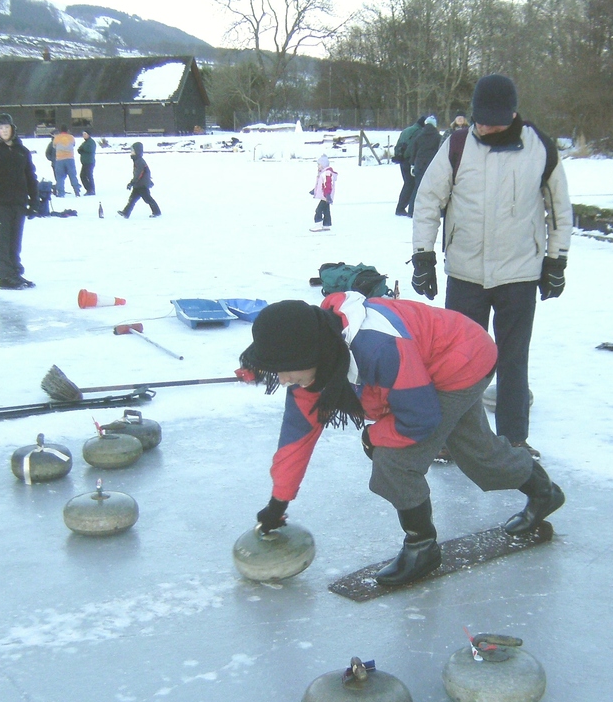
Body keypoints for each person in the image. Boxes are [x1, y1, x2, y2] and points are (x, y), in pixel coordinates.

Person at [240, 293, 564, 586]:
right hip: (434, 360)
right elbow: (296, 440)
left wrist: (374, 434)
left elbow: (417, 420)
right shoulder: (316, 359)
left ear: (311, 354)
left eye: (285, 369)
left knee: (394, 460)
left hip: (462, 359)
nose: (281, 380)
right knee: (478, 451)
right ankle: (544, 493)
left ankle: (421, 547)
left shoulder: (378, 346)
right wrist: (277, 504)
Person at [411, 74, 572, 460]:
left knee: (513, 359)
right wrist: (423, 257)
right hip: (466, 272)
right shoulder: (457, 145)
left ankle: (514, 439)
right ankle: (451, 439)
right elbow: (427, 201)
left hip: (519, 275)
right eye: (479, 118)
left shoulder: (539, 148)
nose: (484, 126)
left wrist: (556, 259)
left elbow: (560, 210)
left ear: (513, 114)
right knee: (458, 363)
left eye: (494, 119)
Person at [0, 112, 38, 289]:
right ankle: (5, 275)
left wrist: (34, 201)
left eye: (6, 127)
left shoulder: (21, 151)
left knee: (15, 240)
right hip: (0, 203)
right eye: (0, 128)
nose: (4, 131)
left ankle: (15, 272)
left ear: (13, 129)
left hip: (18, 202)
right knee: (3, 240)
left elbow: (30, 176)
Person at [406, 115, 441, 216]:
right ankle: (434, 211)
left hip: (419, 165)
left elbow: (413, 151)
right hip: (432, 165)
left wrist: (412, 164)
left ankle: (411, 210)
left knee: (417, 188)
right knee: (434, 189)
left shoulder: (419, 136)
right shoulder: (438, 137)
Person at [118, 142, 160, 218]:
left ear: (137, 151)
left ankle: (157, 212)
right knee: (132, 199)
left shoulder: (139, 161)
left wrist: (132, 183)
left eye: (133, 151)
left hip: (142, 185)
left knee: (148, 199)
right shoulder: (137, 160)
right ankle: (126, 213)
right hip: (139, 184)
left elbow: (139, 174)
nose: (131, 152)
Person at [392, 117, 423, 216]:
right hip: (409, 160)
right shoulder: (419, 132)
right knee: (410, 185)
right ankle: (401, 208)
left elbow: (398, 145)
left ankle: (402, 207)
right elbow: (414, 147)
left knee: (407, 183)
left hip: (401, 159)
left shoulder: (406, 130)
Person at [51, 125, 81, 197]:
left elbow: (54, 146)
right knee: (73, 175)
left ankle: (61, 193)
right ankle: (77, 191)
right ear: (67, 130)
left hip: (60, 159)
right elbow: (73, 144)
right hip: (70, 158)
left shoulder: (57, 138)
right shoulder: (71, 137)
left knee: (60, 177)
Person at [309, 154, 335, 231]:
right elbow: (320, 185)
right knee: (326, 210)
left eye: (319, 165)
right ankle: (326, 224)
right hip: (326, 196)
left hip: (326, 196)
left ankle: (318, 224)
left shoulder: (327, 173)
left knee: (319, 210)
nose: (318, 166)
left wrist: (327, 195)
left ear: (323, 165)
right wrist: (315, 190)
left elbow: (328, 185)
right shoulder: (323, 173)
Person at [78, 130, 96, 195]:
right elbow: (79, 149)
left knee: (88, 176)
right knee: (83, 176)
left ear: (88, 134)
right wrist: (81, 150)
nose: (84, 135)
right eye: (83, 134)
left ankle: (91, 190)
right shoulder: (85, 142)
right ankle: (89, 189)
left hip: (89, 162)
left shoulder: (91, 142)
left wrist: (83, 149)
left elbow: (89, 149)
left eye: (85, 134)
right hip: (85, 162)